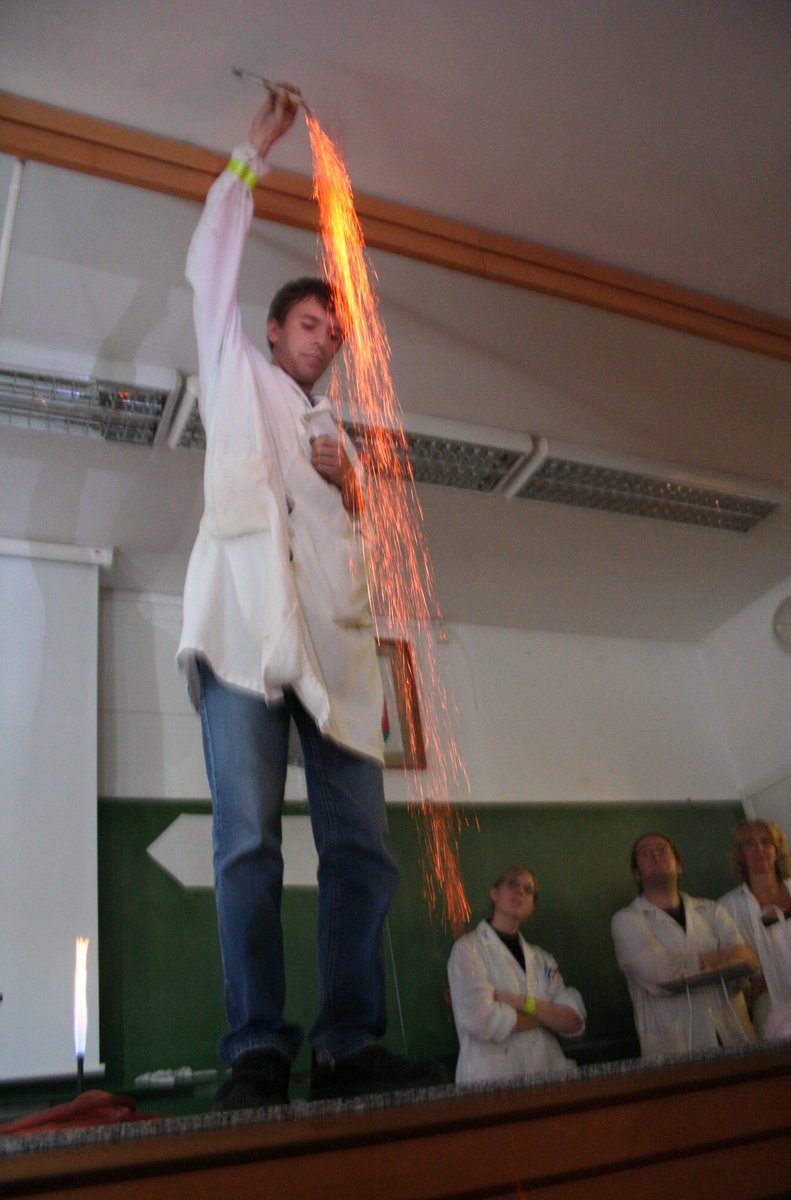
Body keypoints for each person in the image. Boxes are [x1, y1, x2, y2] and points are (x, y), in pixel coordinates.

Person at [178, 87, 442, 1108]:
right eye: (308, 323)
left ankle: (345, 1045)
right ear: (272, 328)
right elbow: (208, 262)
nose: (324, 339)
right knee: (246, 841)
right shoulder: (233, 371)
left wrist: (353, 492)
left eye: (334, 332)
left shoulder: (339, 445)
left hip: (333, 662)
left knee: (362, 851)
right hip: (241, 641)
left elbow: (354, 566)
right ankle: (256, 1048)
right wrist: (251, 151)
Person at [611, 832, 759, 1059]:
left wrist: (688, 964)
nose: (656, 855)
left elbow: (749, 960)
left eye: (662, 849)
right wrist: (725, 958)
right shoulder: (626, 920)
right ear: (637, 874)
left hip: (736, 1039)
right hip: (676, 1052)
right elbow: (661, 972)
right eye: (646, 853)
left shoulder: (711, 910)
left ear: (679, 866)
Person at [447, 866, 586, 1085]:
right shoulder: (468, 949)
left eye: (528, 890)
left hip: (548, 1076)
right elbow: (482, 1020)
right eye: (512, 884)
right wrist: (547, 1017)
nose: (520, 891)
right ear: (494, 894)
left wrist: (519, 1002)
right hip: (492, 1081)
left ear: (532, 905)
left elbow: (573, 1021)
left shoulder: (543, 959)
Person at [718, 819, 791, 1039]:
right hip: (771, 1018)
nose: (759, 849)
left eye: (766, 842)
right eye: (749, 843)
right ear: (740, 854)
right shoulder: (727, 908)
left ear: (777, 849)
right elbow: (733, 981)